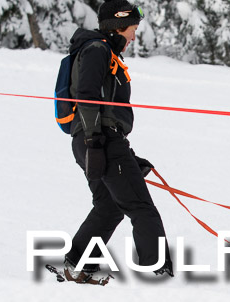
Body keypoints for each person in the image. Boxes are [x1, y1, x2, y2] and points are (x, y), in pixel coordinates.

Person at [62, 0, 172, 284]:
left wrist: (117, 152)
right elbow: (87, 95)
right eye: (132, 29)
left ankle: (78, 263)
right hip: (98, 139)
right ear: (117, 26)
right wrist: (96, 141)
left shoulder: (100, 50)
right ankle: (157, 273)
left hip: (94, 140)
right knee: (140, 207)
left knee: (109, 206)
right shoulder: (98, 50)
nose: (133, 36)